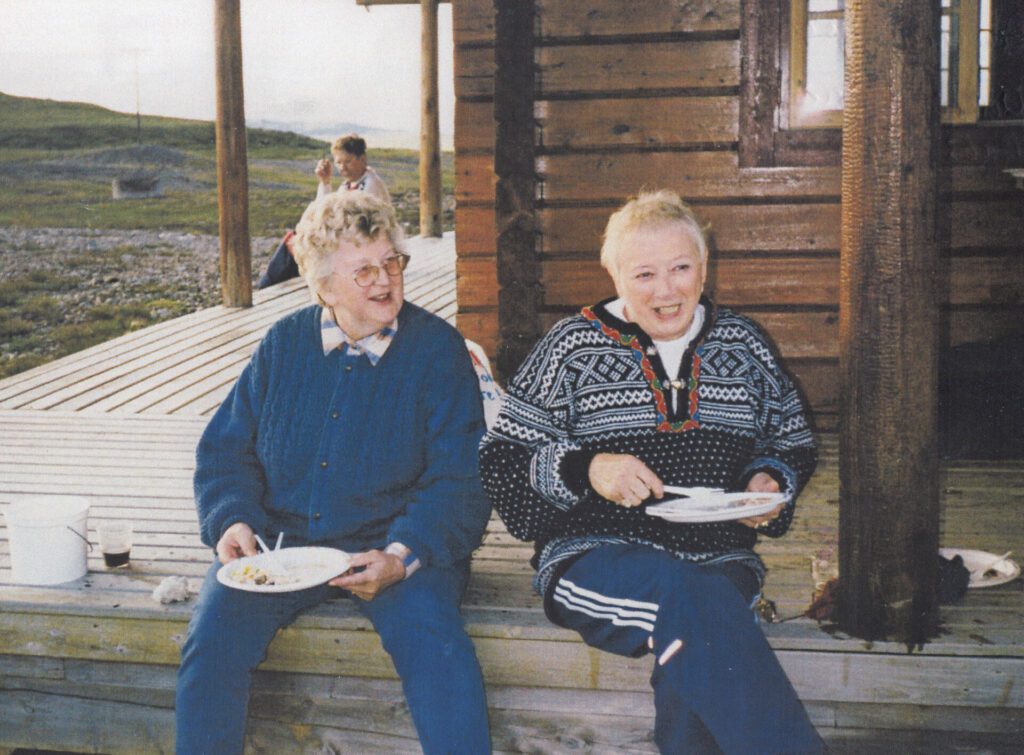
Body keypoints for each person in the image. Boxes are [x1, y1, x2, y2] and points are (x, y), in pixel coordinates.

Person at [479, 190, 824, 753]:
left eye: (681, 268)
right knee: (696, 605)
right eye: (644, 274)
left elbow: (790, 438)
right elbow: (502, 461)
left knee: (696, 631)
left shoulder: (743, 343)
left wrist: (768, 480)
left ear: (704, 268)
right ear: (615, 276)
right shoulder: (571, 347)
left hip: (719, 556)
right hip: (597, 559)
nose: (666, 291)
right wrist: (586, 469)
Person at [176, 191, 492, 754]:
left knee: (438, 650)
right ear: (323, 286)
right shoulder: (284, 344)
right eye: (363, 269)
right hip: (284, 549)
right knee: (211, 639)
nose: (385, 280)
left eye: (392, 261)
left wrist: (402, 555)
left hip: (395, 544)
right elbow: (226, 450)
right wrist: (232, 520)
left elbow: (462, 479)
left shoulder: (437, 351)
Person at [257, 134, 390, 288]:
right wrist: (325, 182)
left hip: (363, 245)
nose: (342, 167)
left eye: (347, 161)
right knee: (295, 241)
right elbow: (324, 209)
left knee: (297, 246)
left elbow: (357, 224)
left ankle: (267, 286)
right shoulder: (349, 185)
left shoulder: (370, 185)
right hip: (353, 241)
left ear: (362, 159)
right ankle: (272, 284)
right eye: (338, 162)